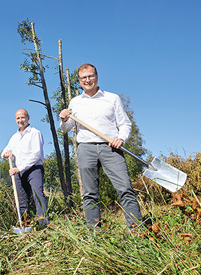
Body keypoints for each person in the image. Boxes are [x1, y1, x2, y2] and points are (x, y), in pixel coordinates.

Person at [59, 63, 142, 229]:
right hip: (85, 148)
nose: (87, 80)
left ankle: (137, 230)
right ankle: (94, 233)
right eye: (83, 78)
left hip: (110, 147)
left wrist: (121, 138)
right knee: (89, 193)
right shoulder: (75, 102)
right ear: (79, 80)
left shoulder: (111, 98)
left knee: (125, 188)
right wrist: (64, 119)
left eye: (90, 76)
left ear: (96, 76)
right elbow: (66, 129)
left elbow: (125, 123)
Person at [1, 109, 49, 226]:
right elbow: (4, 151)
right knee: (21, 199)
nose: (20, 120)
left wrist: (20, 168)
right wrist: (5, 154)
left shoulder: (35, 133)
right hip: (18, 172)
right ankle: (25, 225)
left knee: (38, 194)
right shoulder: (14, 137)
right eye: (18, 118)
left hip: (34, 169)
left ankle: (44, 225)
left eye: (22, 117)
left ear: (28, 118)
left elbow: (36, 155)